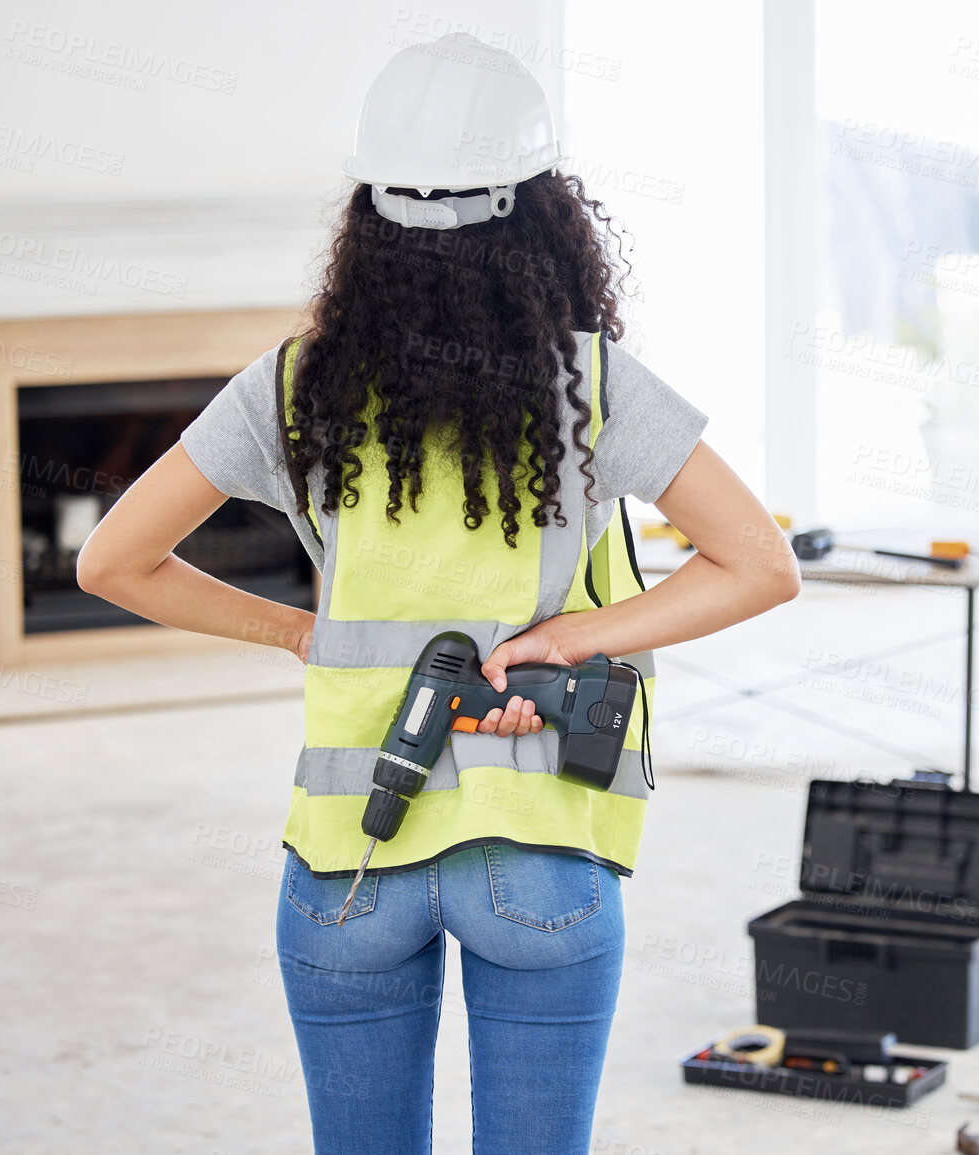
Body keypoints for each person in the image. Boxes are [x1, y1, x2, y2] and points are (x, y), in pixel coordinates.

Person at [75, 32, 800, 1155]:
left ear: (367, 216)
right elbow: (759, 562)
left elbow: (109, 562)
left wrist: (296, 632)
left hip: (344, 870)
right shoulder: (588, 386)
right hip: (537, 860)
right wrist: (573, 638)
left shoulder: (291, 385)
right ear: (544, 213)